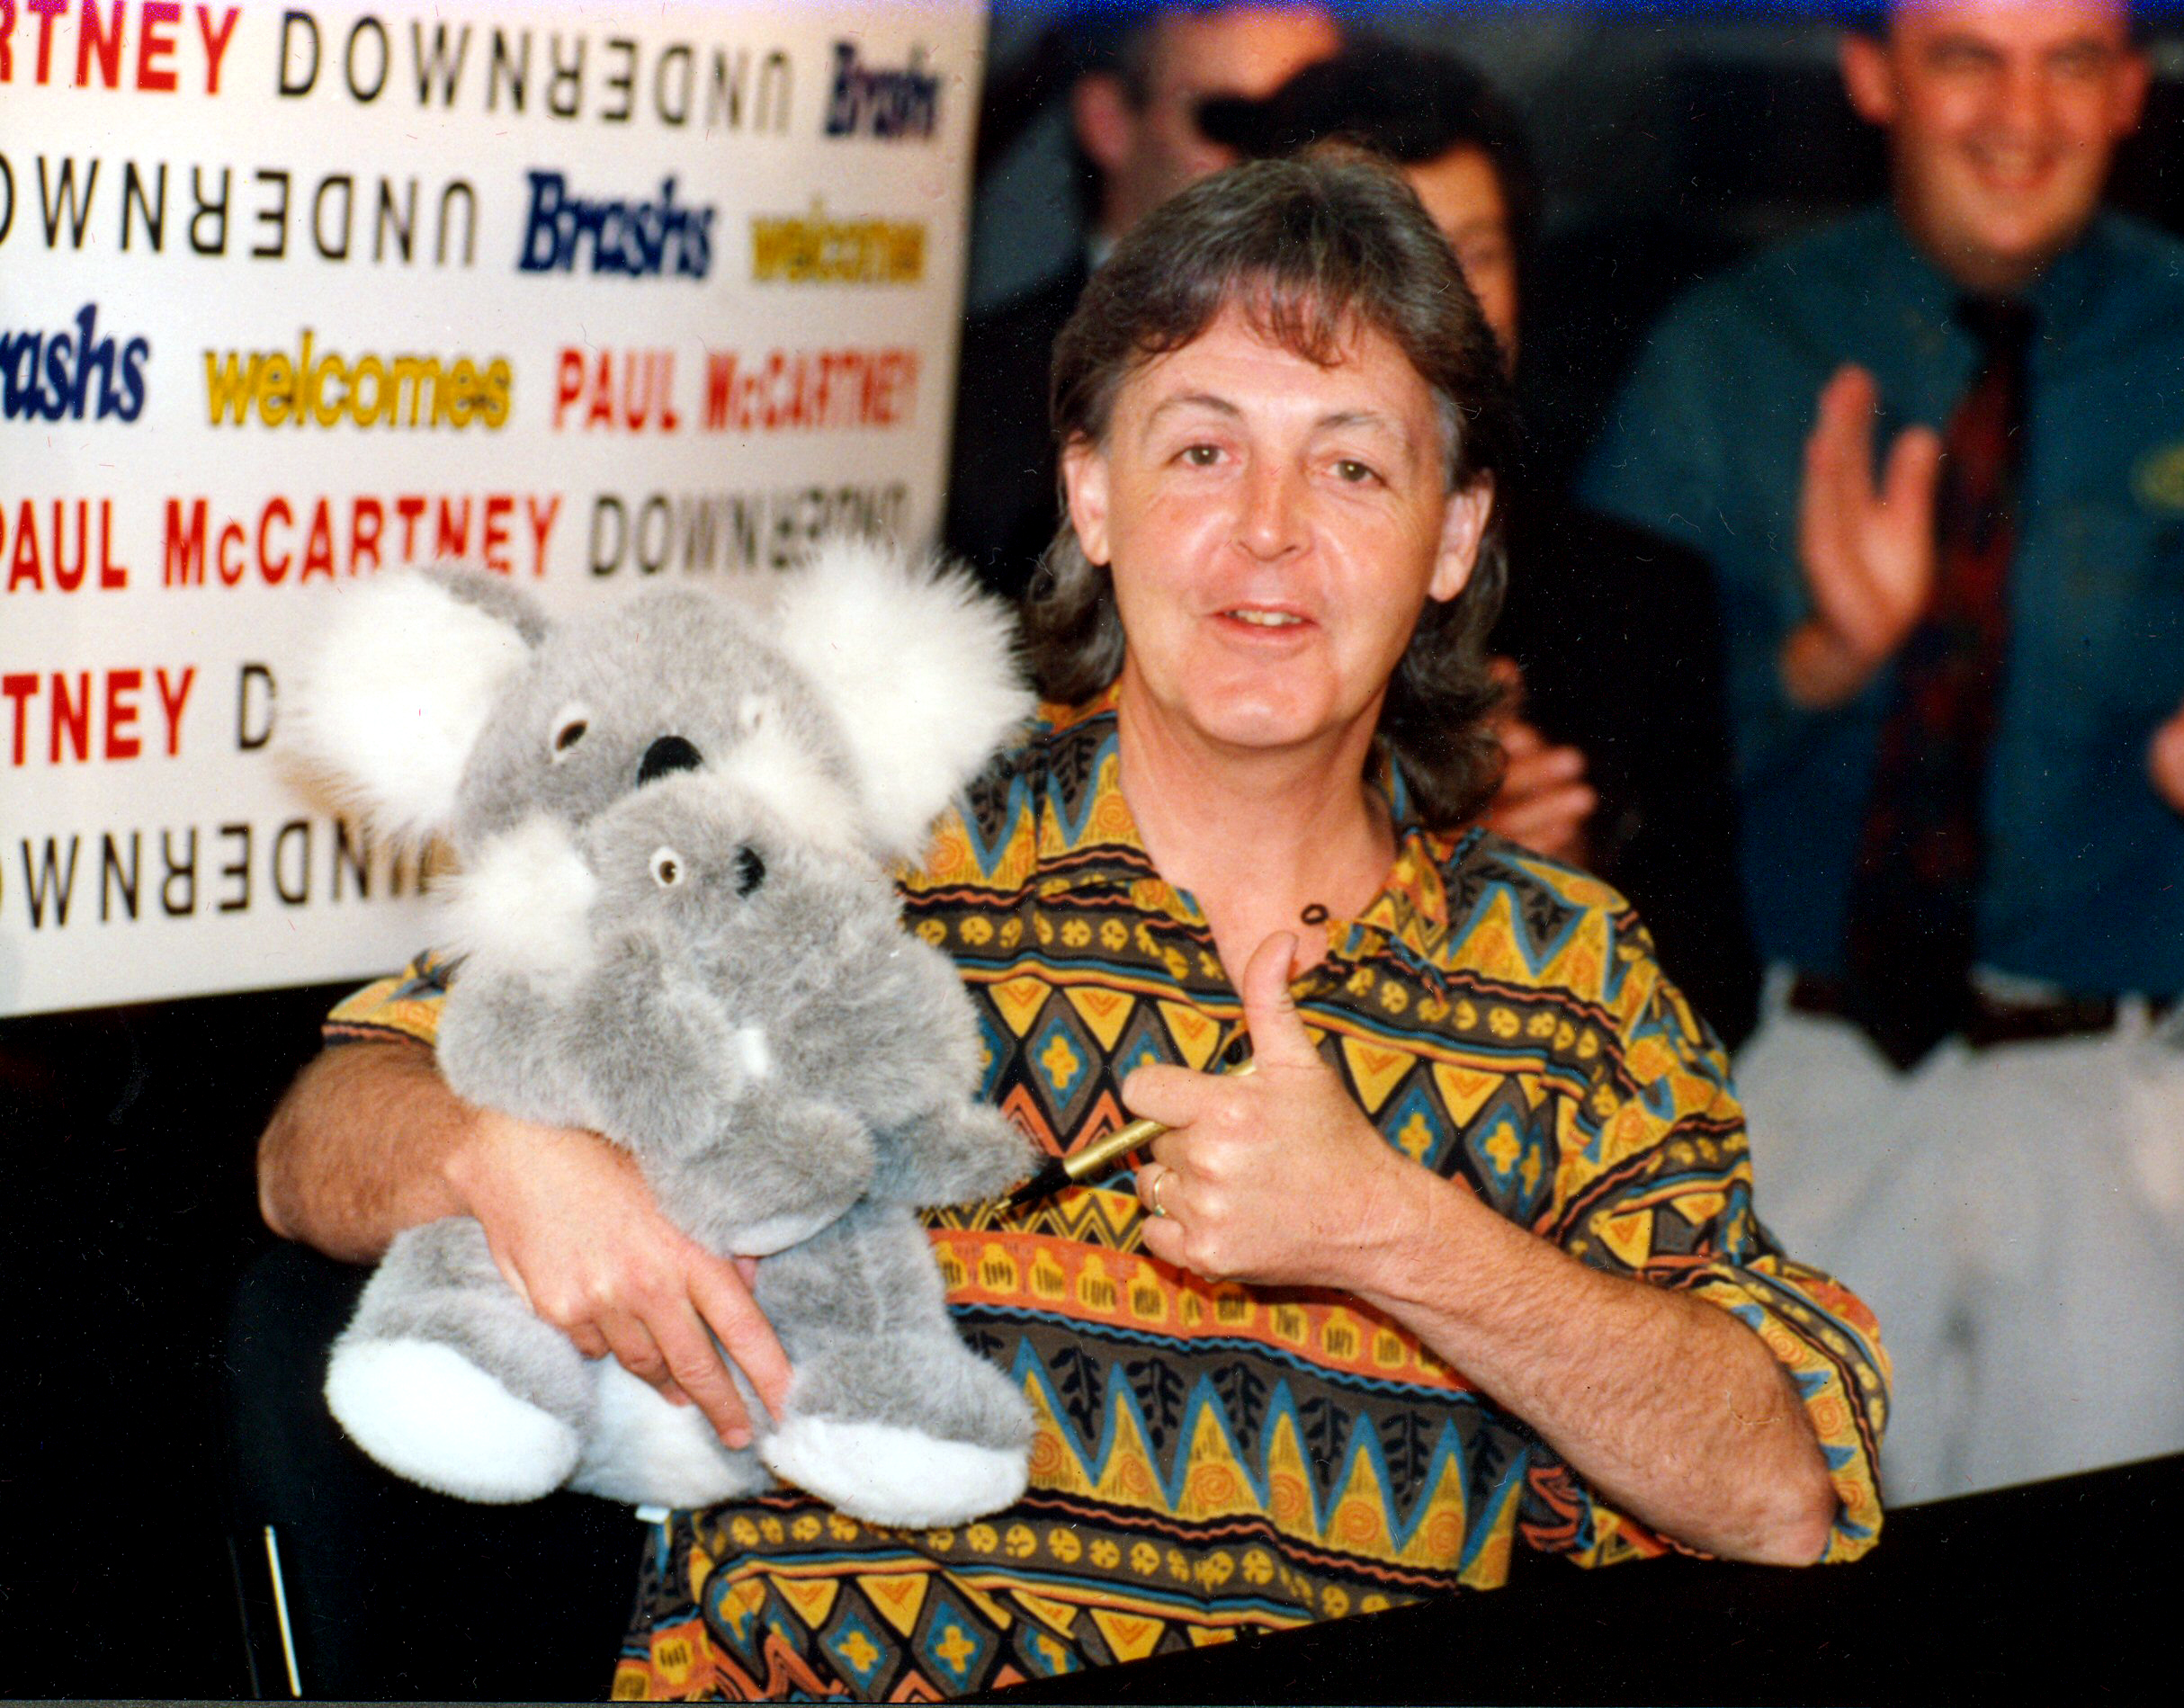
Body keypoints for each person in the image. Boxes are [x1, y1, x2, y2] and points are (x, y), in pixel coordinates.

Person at [262, 156, 1886, 1701]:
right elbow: (321, 1129)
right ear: (1090, 493)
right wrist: (505, 1156)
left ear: (1454, 537)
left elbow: (1784, 1489)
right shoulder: (850, 839)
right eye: (1200, 450)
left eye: (1352, 463)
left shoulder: (1567, 979)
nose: (1267, 529)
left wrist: (1391, 1230)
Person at [1582, 0, 2184, 1507]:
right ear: (1871, 75)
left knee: (2099, 1616)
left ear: (2128, 89)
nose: (2019, 116)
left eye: (2070, 62)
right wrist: (1815, 663)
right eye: (1968, 55)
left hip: (2124, 1096)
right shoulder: (1732, 352)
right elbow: (1586, 766)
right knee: (1776, 1572)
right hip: (1792, 1086)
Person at [1206, 39, 1761, 1043]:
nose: (1437, 307)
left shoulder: (1638, 596)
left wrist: (1559, 885)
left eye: (1473, 254)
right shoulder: (1185, 558)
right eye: (1377, 254)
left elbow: (1718, 1003)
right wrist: (1414, 862)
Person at [943, 3, 1342, 602]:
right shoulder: (978, 392)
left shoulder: (1388, 369)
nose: (1275, 159)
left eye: (1309, 121)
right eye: (1229, 120)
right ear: (1108, 122)